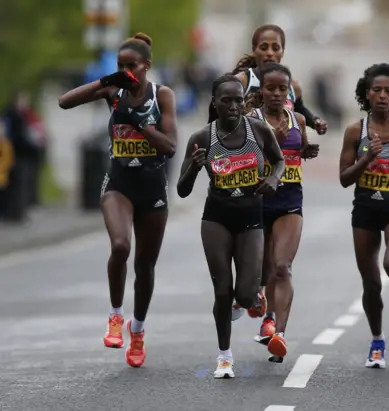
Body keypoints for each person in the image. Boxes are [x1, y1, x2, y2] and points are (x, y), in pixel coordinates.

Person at [58, 33, 178, 368]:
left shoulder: (162, 95)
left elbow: (169, 147)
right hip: (119, 183)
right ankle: (115, 316)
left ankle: (137, 330)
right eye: (120, 66)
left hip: (153, 186)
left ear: (147, 66)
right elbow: (64, 102)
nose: (127, 72)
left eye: (132, 66)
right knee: (121, 246)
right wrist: (106, 81)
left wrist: (139, 123)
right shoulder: (114, 92)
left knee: (145, 265)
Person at [176, 74, 285, 379]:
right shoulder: (201, 138)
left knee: (247, 296)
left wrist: (274, 180)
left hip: (251, 218)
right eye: (227, 100)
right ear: (214, 103)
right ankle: (224, 357)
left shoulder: (259, 131)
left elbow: (279, 162)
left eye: (239, 99)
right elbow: (182, 190)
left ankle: (252, 297)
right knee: (222, 290)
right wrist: (194, 168)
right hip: (216, 219)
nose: (235, 105)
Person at [339, 63, 389, 369]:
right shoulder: (354, 131)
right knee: (371, 283)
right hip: (365, 210)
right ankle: (377, 341)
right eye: (377, 90)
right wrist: (367, 158)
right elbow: (345, 178)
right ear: (366, 94)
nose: (383, 96)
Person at [244, 62, 320, 362]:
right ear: (261, 91)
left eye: (282, 89)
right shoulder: (251, 120)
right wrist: (271, 138)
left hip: (290, 198)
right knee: (260, 273)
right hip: (258, 199)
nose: (276, 94)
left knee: (282, 266)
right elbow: (244, 154)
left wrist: (305, 150)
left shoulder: (298, 119)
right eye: (270, 88)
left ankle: (280, 334)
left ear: (289, 91)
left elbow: (297, 150)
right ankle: (261, 304)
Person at [228, 24, 328, 135]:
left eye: (275, 48)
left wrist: (315, 121)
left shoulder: (293, 86)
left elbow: (300, 110)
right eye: (264, 48)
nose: (270, 53)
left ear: (283, 51)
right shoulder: (242, 81)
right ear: (254, 50)